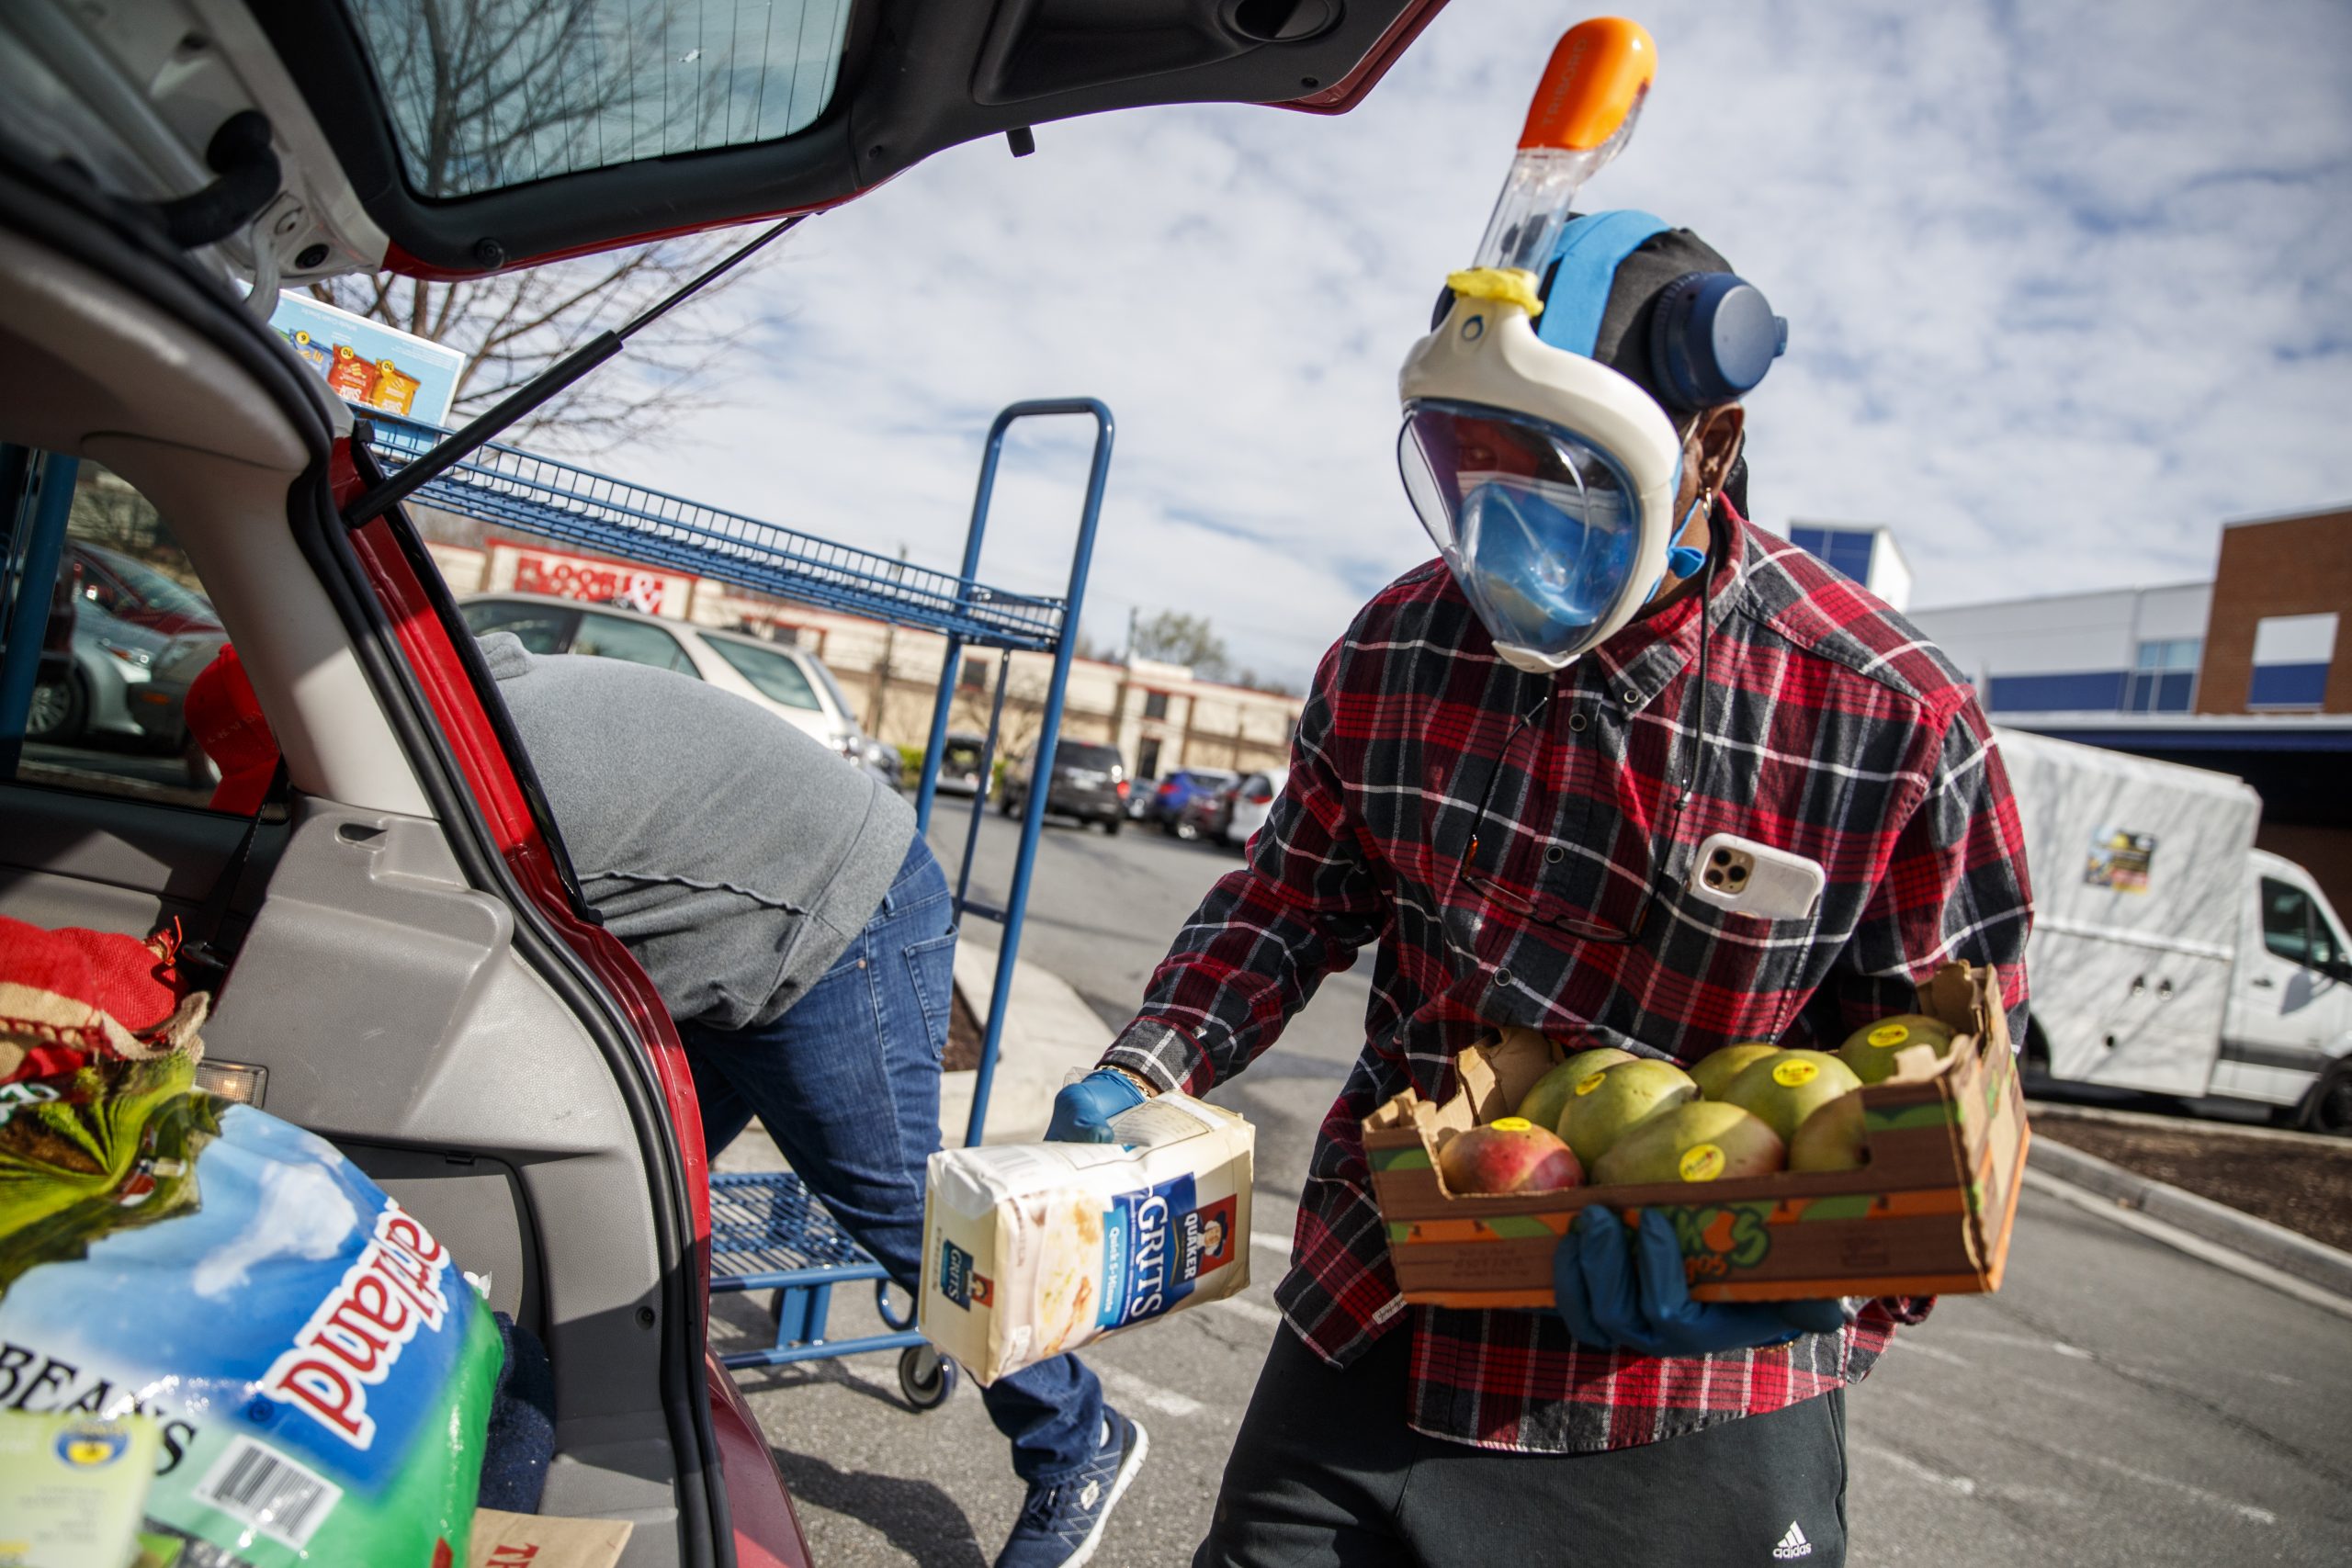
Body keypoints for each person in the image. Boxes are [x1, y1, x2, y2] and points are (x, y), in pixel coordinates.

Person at [1046, 216, 2033, 1568]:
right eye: (1472, 465)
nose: (1507, 517)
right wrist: (1150, 1063)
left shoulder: (1890, 720)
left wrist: (1802, 1273)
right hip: (1384, 1314)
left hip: (1688, 1396)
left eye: (1563, 471)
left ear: (1712, 448)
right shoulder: (1397, 648)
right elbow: (1290, 897)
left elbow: (1952, 1083)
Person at [187, 635, 1145, 1568]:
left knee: (906, 1217)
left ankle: (1076, 1437)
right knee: (634, 1202)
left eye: (278, 804)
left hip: (839, 918)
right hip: (733, 926)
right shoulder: (442, 722)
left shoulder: (471, 796)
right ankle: (570, 1428)